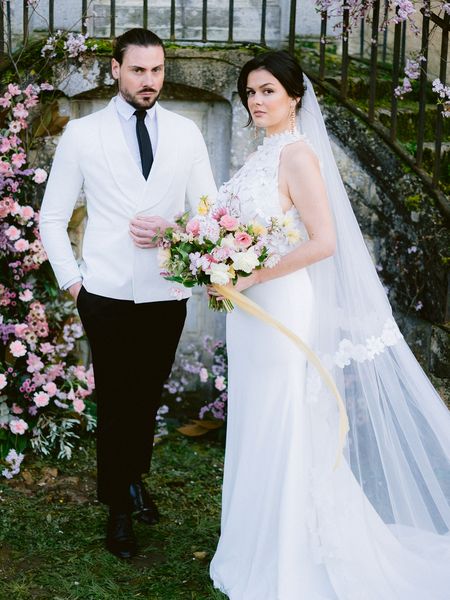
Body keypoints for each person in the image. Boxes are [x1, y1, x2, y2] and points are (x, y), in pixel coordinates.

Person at [209, 50, 450, 599]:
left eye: (268, 91)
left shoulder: (298, 156)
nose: (256, 101)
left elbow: (324, 242)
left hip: (280, 306)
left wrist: (251, 275)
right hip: (248, 311)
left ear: (294, 97)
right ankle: (254, 542)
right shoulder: (262, 154)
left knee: (285, 417)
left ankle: (291, 556)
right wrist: (215, 265)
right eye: (250, 92)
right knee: (255, 418)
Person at [39, 27, 217, 559]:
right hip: (105, 294)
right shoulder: (83, 134)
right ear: (115, 69)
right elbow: (51, 217)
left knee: (147, 396)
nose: (148, 80)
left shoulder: (186, 133)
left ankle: (134, 477)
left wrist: (173, 230)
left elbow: (209, 213)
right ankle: (117, 505)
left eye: (156, 70)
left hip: (167, 292)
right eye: (138, 70)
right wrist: (75, 285)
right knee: (117, 401)